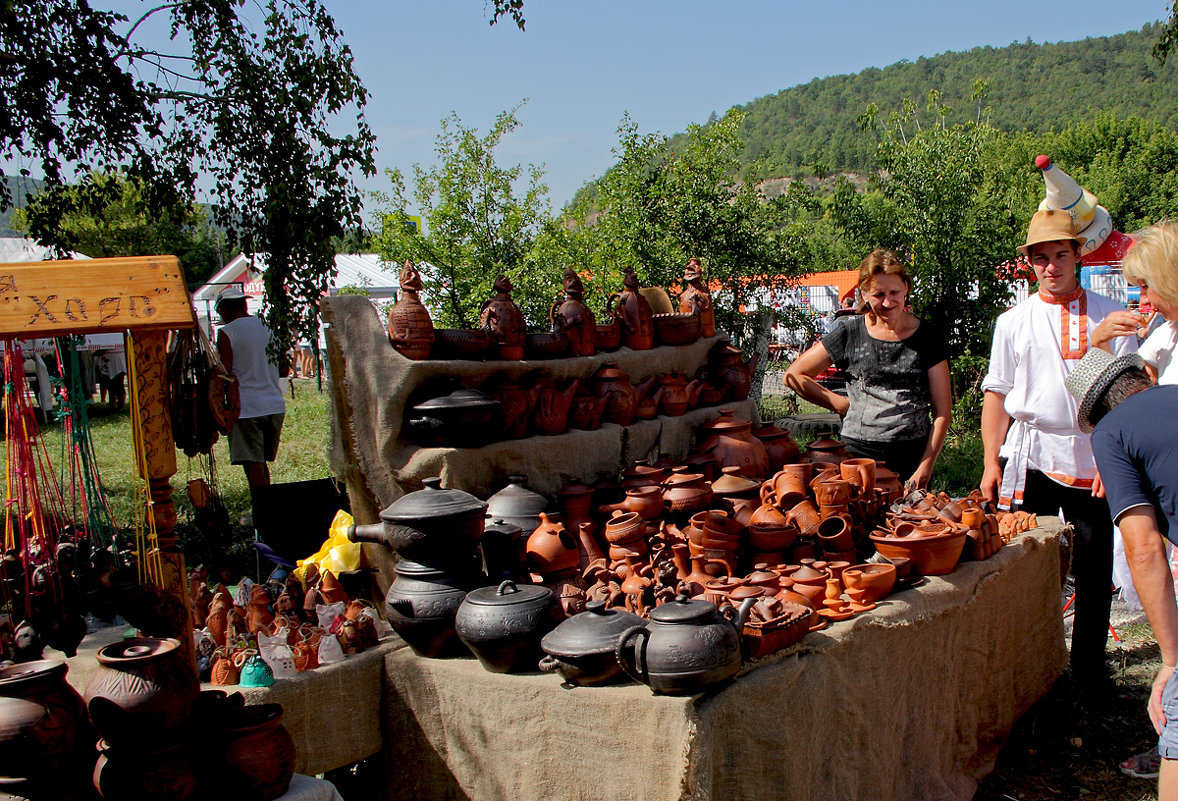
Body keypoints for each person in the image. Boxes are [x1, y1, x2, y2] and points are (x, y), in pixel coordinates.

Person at [980, 209, 1143, 690]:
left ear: (1078, 256)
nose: (1051, 266)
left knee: (1093, 569)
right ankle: (1028, 670)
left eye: (1060, 255)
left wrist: (1118, 457)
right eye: (1041, 258)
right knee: (1027, 562)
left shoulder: (1109, 314)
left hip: (1095, 454)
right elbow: (997, 393)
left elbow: (1130, 393)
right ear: (1029, 263)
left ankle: (1089, 672)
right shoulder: (1013, 321)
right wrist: (991, 459)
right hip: (1029, 455)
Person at [1064, 346, 1178, 795]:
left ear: (1095, 411)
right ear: (1139, 376)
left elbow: (1144, 548)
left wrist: (1171, 660)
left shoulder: (1111, 432)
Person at [785, 249, 952, 487]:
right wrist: (839, 404)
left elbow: (943, 411)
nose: (887, 302)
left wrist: (925, 467)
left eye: (894, 292)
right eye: (878, 294)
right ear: (863, 293)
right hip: (857, 455)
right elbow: (794, 375)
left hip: (912, 455)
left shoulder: (928, 337)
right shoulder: (849, 333)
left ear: (906, 287)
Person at [214, 287, 287, 489]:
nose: (222, 317)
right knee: (259, 462)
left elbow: (224, 373)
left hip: (246, 408)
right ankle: (265, 507)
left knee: (252, 465)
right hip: (274, 405)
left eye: (221, 313)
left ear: (227, 309)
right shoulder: (268, 328)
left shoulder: (227, 333)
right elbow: (284, 368)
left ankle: (264, 512)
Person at [1123, 221, 1178, 385]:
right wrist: (1102, 343)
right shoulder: (1167, 332)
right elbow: (1135, 385)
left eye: (1145, 286)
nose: (1143, 301)